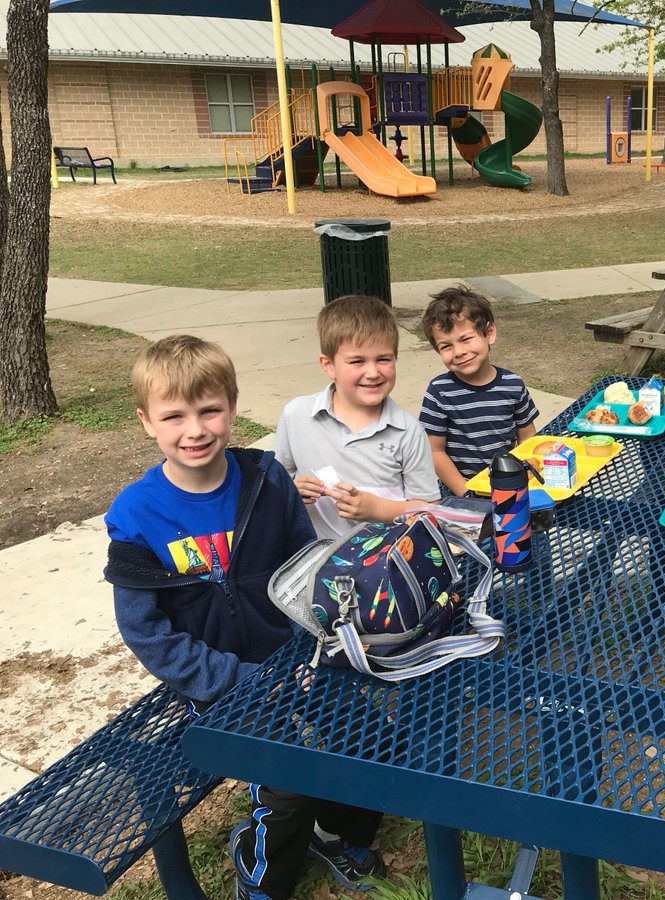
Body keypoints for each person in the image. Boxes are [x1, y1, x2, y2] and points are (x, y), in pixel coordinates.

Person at [104, 335, 385, 899]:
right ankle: (261, 882)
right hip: (215, 684)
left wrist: (314, 649)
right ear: (146, 423)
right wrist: (233, 681)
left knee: (371, 740)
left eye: (210, 410)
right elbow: (145, 632)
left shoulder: (266, 478)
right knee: (285, 790)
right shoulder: (136, 514)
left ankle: (333, 834)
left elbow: (305, 573)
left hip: (294, 658)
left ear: (232, 407)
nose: (196, 429)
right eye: (174, 416)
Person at [276, 294, 440, 540]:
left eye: (383, 359)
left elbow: (429, 510)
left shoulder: (408, 430)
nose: (372, 372)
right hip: (311, 559)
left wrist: (377, 509)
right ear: (328, 365)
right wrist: (291, 492)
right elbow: (274, 486)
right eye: (357, 361)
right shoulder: (296, 415)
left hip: (384, 562)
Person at [418, 286, 539, 496]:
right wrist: (465, 492)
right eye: (446, 346)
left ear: (489, 333)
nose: (459, 352)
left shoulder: (513, 384)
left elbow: (528, 439)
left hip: (509, 488)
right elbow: (434, 450)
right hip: (460, 492)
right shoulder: (439, 392)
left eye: (465, 339)